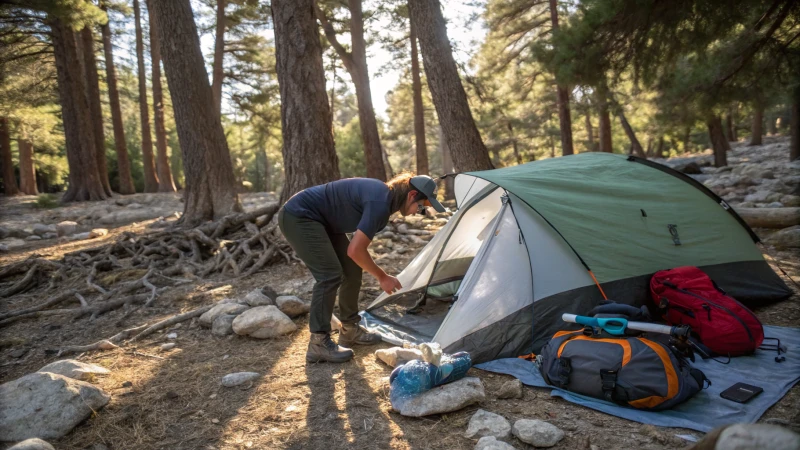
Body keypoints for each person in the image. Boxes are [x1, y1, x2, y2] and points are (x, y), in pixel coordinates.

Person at [278, 173, 446, 363]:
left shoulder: (385, 200)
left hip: (321, 221)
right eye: (421, 205)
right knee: (329, 274)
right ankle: (318, 343)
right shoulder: (380, 203)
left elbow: (354, 252)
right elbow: (355, 250)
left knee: (351, 269)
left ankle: (349, 330)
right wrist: (382, 277)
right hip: (299, 216)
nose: (419, 211)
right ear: (411, 194)